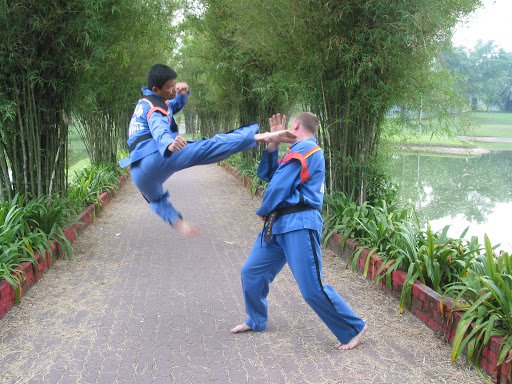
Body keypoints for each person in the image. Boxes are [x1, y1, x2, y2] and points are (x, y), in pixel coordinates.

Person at [231, 112, 367, 350]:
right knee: (251, 271)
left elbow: (280, 185)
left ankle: (353, 327)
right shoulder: (295, 152)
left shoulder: (307, 149)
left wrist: (266, 207)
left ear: (294, 125)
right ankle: (256, 320)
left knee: (311, 288)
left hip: (298, 223)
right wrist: (272, 145)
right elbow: (269, 176)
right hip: (279, 225)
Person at [119, 64, 296, 237]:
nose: (174, 89)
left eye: (175, 84)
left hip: (138, 173)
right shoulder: (155, 108)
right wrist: (168, 144)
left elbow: (169, 109)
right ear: (156, 89)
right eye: (170, 87)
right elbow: (158, 125)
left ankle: (179, 224)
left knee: (156, 200)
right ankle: (261, 136)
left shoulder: (146, 102)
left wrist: (181, 95)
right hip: (155, 156)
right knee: (208, 147)